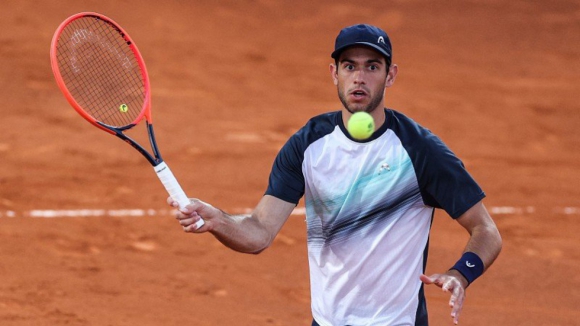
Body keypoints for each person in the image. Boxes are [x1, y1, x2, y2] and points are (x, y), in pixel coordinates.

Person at [169, 23, 502, 326]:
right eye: (349, 66)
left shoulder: (419, 151)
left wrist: (461, 274)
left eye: (372, 67)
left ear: (390, 75)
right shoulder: (307, 145)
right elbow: (259, 233)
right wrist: (218, 221)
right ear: (334, 73)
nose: (360, 77)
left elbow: (486, 230)